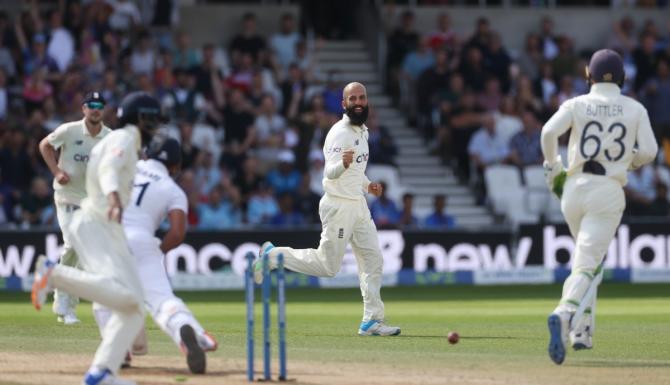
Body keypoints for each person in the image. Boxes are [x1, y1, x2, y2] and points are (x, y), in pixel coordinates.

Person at [31, 92, 163, 385]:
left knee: (131, 304)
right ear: (139, 118)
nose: (155, 125)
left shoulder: (118, 137)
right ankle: (54, 275)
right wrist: (114, 196)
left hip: (102, 222)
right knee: (126, 297)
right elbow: (108, 170)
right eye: (151, 119)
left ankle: (101, 372)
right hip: (95, 221)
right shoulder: (125, 139)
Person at [541, 49, 657, 365]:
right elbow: (649, 151)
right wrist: (625, 163)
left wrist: (554, 167)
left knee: (590, 260)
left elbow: (548, 132)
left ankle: (582, 330)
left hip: (573, 189)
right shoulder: (635, 108)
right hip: (607, 190)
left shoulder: (577, 103)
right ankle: (564, 314)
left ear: (588, 76)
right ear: (623, 77)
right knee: (588, 262)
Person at [256, 82, 401, 336]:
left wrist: (368, 186)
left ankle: (372, 320)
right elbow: (329, 172)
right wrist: (342, 165)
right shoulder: (339, 133)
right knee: (328, 267)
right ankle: (272, 255)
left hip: (358, 204)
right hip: (338, 206)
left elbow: (356, 171)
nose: (358, 102)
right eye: (352, 98)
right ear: (344, 104)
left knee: (373, 259)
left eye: (362, 97)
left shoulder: (362, 131)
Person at [93, 137, 218, 374]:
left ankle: (117, 349)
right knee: (162, 301)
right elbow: (178, 233)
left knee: (104, 299)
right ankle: (187, 329)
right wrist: (156, 251)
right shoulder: (173, 189)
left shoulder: (126, 168)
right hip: (143, 241)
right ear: (176, 166)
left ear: (146, 155)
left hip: (111, 238)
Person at [38, 91, 112, 324]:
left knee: (81, 249)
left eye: (99, 105)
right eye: (91, 105)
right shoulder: (68, 130)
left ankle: (66, 302)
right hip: (67, 195)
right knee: (73, 241)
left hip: (92, 201)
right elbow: (44, 145)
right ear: (83, 109)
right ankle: (63, 303)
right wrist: (57, 172)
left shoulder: (110, 137)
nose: (95, 109)